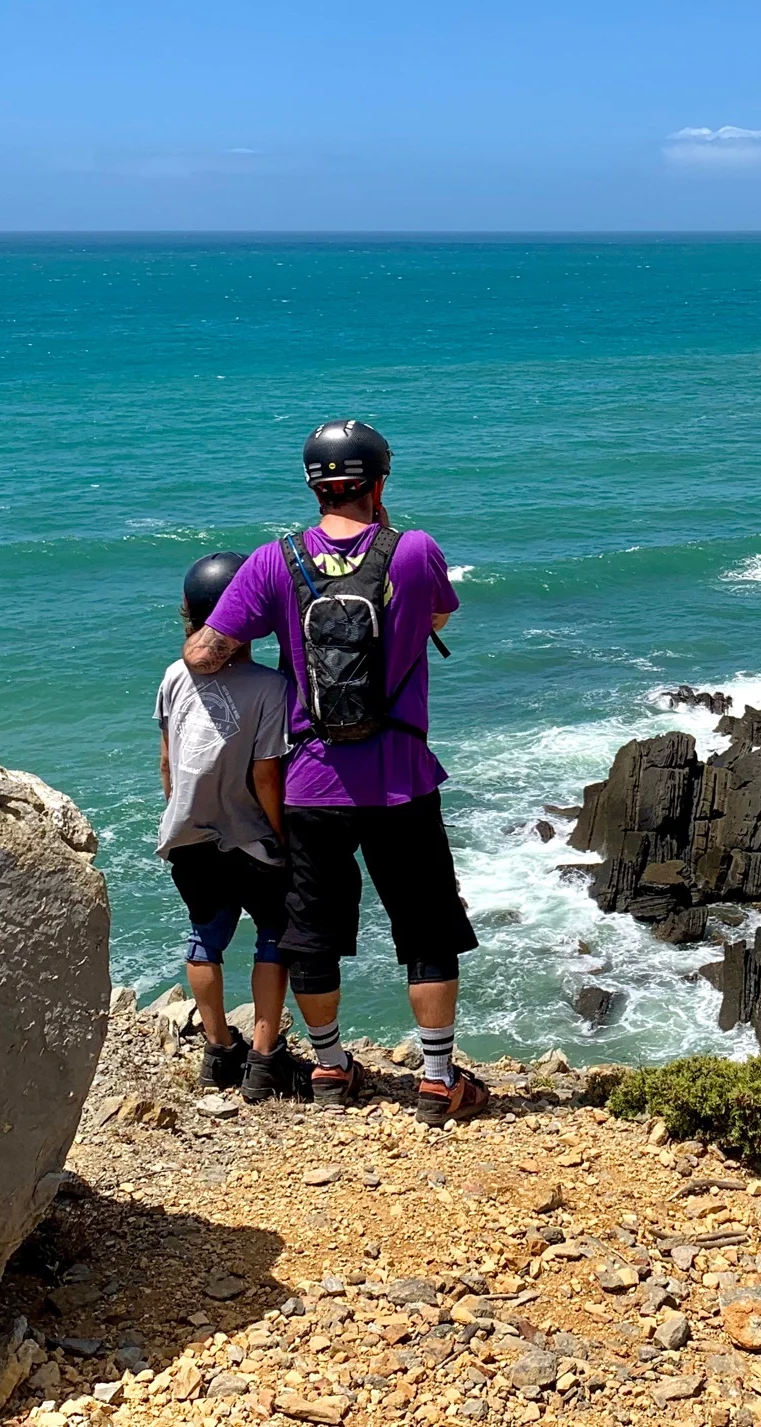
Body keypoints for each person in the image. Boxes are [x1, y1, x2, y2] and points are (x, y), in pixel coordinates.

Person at [182, 419, 488, 1125]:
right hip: (401, 778)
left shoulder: (274, 560)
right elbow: (439, 616)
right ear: (378, 482)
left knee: (312, 931)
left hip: (311, 782)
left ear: (313, 486)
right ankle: (437, 1080)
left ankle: (328, 1066)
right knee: (427, 929)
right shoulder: (414, 550)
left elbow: (206, 654)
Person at [157, 551, 296, 1103]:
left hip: (190, 835)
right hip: (252, 838)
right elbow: (265, 774)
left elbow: (167, 761)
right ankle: (263, 1058)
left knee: (204, 938)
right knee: (273, 935)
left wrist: (179, 813)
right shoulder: (271, 687)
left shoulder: (174, 676)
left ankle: (218, 1051)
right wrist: (282, 835)